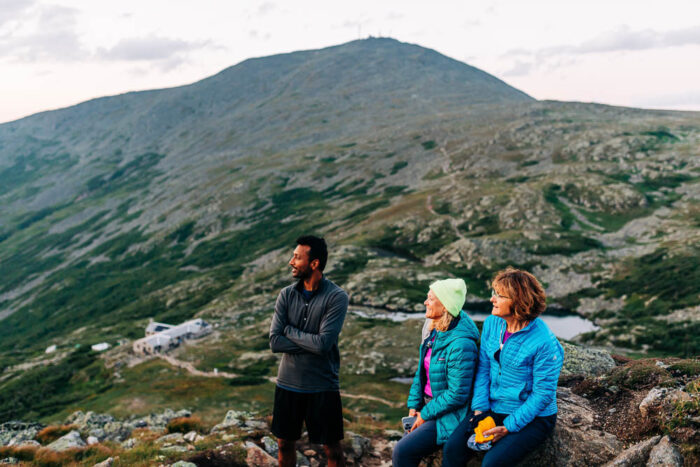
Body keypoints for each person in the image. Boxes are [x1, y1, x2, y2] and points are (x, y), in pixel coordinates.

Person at [456, 267, 564, 466]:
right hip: (494, 406)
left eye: (499, 295)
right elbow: (484, 368)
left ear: (518, 301)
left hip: (534, 416)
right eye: (493, 293)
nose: (492, 299)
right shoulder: (492, 324)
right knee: (453, 449)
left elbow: (543, 394)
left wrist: (508, 427)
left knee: (492, 463)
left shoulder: (544, 343)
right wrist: (480, 408)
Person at [269, 235, 348, 467]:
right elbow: (275, 341)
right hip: (287, 382)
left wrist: (290, 331)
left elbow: (323, 344)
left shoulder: (337, 297)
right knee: (284, 444)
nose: (291, 262)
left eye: (297, 257)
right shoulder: (286, 294)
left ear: (314, 263)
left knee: (332, 449)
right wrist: (311, 342)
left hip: (322, 385)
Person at [392, 278, 480, 467]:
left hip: (450, 413)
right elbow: (421, 371)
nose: (425, 302)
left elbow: (457, 394)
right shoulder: (435, 329)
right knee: (404, 448)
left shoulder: (461, 344)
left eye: (431, 299)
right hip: (429, 406)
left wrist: (425, 414)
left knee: (402, 452)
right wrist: (414, 405)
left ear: (446, 306)